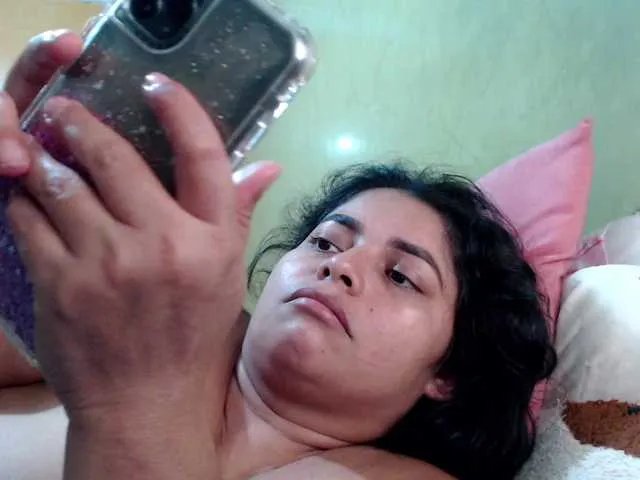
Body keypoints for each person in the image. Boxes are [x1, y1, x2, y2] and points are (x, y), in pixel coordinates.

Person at [0, 30, 556, 480]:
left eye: (400, 276)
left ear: (448, 374)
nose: (340, 266)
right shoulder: (148, 320)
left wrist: (135, 402)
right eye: (325, 242)